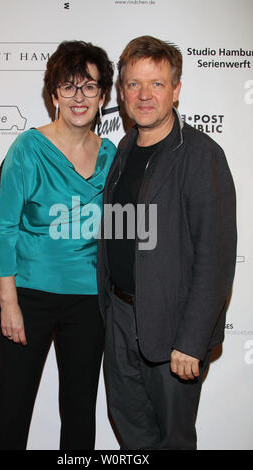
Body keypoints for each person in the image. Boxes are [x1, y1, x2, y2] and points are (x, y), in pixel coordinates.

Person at [97, 36, 237, 450]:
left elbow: (214, 257)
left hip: (174, 328)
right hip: (121, 319)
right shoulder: (124, 148)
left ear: (176, 90)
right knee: (132, 434)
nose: (144, 95)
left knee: (173, 441)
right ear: (122, 92)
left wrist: (191, 340)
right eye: (134, 84)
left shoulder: (200, 155)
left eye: (156, 84)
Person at [0, 40, 116, 450]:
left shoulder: (112, 155)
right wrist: (9, 303)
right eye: (69, 86)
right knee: (10, 411)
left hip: (89, 302)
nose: (79, 97)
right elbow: (5, 228)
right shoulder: (27, 149)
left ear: (103, 95)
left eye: (90, 86)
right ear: (54, 92)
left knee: (80, 415)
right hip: (27, 297)